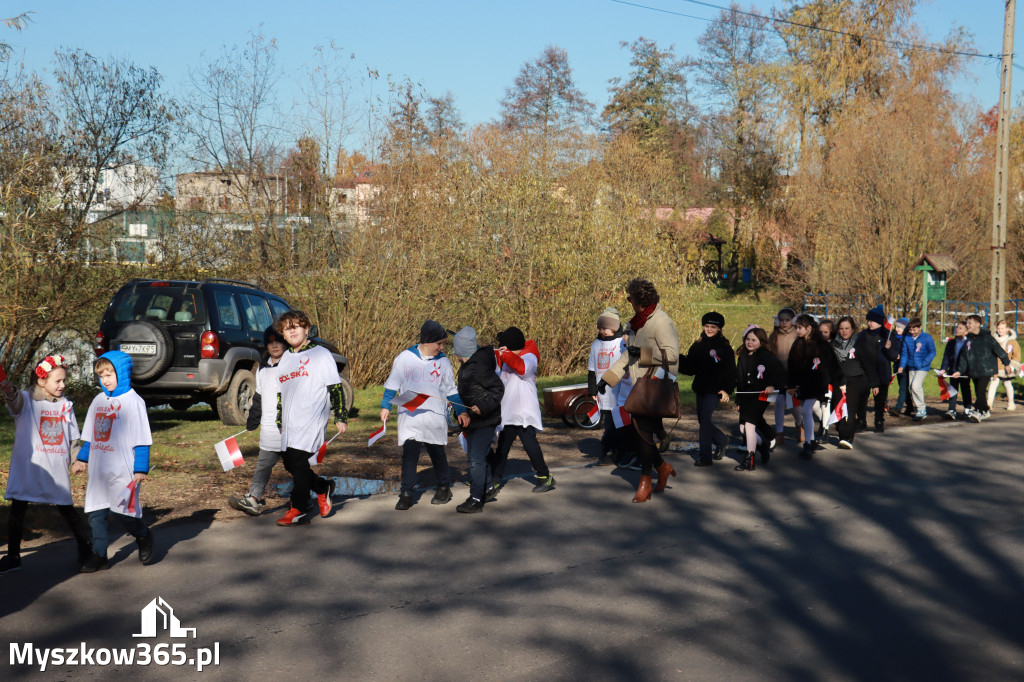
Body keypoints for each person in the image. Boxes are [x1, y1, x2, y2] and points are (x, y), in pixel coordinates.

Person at [1, 355, 92, 575]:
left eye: (64, 380)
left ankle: (85, 548)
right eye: (57, 381)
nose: (63, 385)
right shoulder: (25, 401)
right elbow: (13, 400)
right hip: (28, 469)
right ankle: (13, 556)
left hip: (55, 470)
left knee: (66, 508)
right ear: (42, 381)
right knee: (18, 509)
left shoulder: (65, 405)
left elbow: (72, 438)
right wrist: (6, 388)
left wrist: (77, 459)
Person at [597, 278, 679, 503]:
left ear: (639, 301)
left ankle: (645, 481)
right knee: (643, 435)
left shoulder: (661, 322)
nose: (628, 301)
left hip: (654, 388)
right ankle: (661, 468)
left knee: (643, 435)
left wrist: (641, 351)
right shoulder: (637, 322)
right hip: (638, 387)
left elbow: (671, 355)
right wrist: (607, 379)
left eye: (629, 298)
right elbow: (628, 355)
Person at [72, 351, 154, 572]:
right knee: (95, 514)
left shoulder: (133, 402)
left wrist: (140, 468)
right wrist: (82, 459)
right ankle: (100, 555)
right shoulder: (98, 400)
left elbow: (142, 439)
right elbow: (91, 435)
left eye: (110, 374)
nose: (106, 379)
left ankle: (143, 536)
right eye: (102, 375)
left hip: (123, 470)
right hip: (99, 471)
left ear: (122, 373)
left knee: (123, 514)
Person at [382, 320, 464, 511]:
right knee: (410, 455)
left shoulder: (442, 361)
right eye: (439, 344)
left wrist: (462, 411)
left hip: (434, 415)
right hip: (411, 416)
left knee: (437, 453)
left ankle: (444, 486)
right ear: (427, 341)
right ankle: (406, 492)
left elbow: (451, 389)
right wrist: (386, 406)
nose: (441, 347)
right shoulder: (404, 358)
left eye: (443, 344)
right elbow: (392, 385)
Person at [274, 311, 346, 525]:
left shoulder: (321, 354)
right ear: (283, 335)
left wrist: (340, 416)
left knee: (297, 461)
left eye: (297, 326)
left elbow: (335, 387)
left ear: (306, 329)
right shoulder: (285, 358)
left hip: (312, 419)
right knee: (290, 463)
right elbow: (281, 392)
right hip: (290, 423)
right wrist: (279, 419)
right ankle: (322, 487)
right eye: (288, 328)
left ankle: (298, 508)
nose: (293, 330)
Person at [487, 326, 556, 498]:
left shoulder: (529, 356)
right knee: (502, 448)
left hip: (524, 412)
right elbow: (496, 374)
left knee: (530, 446)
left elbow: (522, 368)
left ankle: (544, 477)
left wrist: (505, 354)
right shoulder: (506, 358)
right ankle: (495, 480)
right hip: (509, 412)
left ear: (510, 347)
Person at [229, 326, 287, 516]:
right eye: (271, 342)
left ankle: (321, 488)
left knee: (297, 467)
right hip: (270, 429)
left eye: (279, 341)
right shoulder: (262, 369)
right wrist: (253, 421)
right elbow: (259, 397)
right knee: (263, 464)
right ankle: (253, 498)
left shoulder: (291, 366)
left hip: (290, 429)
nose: (275, 345)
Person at [452, 327, 504, 513]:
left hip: (486, 419)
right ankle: (488, 487)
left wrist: (482, 406)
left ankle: (476, 499)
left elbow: (498, 389)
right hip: (473, 419)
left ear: (461, 350)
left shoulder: (479, 366)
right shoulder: (469, 364)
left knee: (476, 459)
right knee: (477, 455)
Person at [679, 311, 736, 467]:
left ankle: (705, 457)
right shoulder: (698, 345)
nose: (709, 329)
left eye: (713, 327)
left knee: (704, 421)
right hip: (701, 388)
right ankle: (722, 440)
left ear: (719, 328)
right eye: (707, 326)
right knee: (702, 420)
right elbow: (690, 367)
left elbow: (731, 371)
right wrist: (676, 357)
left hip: (716, 390)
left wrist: (726, 389)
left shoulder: (725, 348)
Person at [787, 314, 840, 458]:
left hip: (817, 384)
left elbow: (832, 365)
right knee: (808, 410)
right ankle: (818, 433)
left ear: (809, 328)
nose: (797, 331)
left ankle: (808, 443)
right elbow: (791, 365)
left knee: (806, 410)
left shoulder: (821, 345)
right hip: (802, 384)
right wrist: (791, 384)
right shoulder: (798, 344)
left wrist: (837, 382)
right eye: (796, 327)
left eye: (799, 328)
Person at [733, 326, 784, 470]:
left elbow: (780, 374)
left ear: (761, 341)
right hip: (746, 396)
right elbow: (740, 380)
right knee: (743, 428)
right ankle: (763, 444)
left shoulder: (768, 356)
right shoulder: (743, 356)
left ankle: (750, 459)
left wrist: (772, 386)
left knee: (749, 425)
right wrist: (738, 401)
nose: (749, 342)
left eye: (753, 340)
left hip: (762, 395)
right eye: (747, 339)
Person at [952, 314, 1010, 422]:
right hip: (974, 370)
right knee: (979, 392)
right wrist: (959, 371)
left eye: (970, 323)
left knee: (980, 390)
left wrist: (1006, 363)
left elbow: (999, 350)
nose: (967, 325)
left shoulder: (987, 338)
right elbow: (964, 358)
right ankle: (985, 410)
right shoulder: (968, 341)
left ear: (978, 324)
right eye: (967, 323)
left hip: (987, 369)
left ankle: (978, 411)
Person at [587, 307, 625, 466]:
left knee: (618, 423)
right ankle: (609, 451)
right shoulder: (596, 344)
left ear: (615, 327)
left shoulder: (621, 342)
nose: (602, 331)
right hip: (603, 392)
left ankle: (614, 451)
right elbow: (591, 369)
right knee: (610, 423)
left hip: (619, 392)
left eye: (606, 328)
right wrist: (592, 390)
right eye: (600, 328)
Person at [832, 316, 870, 449]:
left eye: (847, 328)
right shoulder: (833, 344)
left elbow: (867, 362)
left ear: (852, 329)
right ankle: (842, 430)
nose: (844, 331)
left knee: (849, 408)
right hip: (838, 379)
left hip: (855, 378)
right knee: (837, 406)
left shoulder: (859, 343)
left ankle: (847, 437)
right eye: (841, 329)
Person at [861, 305, 900, 433]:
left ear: (879, 322)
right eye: (868, 320)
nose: (869, 323)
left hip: (882, 372)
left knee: (880, 399)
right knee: (862, 397)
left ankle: (879, 420)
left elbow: (895, 356)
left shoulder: (888, 335)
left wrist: (888, 348)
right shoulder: (864, 335)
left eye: (872, 321)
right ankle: (861, 420)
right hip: (866, 371)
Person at [768, 308, 803, 444]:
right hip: (779, 374)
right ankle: (779, 432)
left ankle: (799, 424)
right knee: (779, 402)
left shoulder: (797, 336)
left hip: (793, 374)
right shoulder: (774, 336)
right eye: (781, 320)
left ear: (793, 321)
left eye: (787, 320)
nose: (784, 323)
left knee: (794, 403)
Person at [897, 317, 936, 421]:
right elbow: (904, 354)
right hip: (911, 367)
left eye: (914, 330)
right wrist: (902, 366)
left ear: (920, 328)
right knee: (912, 387)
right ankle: (919, 409)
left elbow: (932, 352)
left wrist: (925, 362)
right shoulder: (907, 338)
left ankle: (922, 409)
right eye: (910, 329)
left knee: (916, 385)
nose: (912, 332)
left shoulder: (927, 338)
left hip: (922, 367)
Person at [939, 321, 971, 419]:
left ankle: (968, 408)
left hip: (964, 372)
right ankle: (952, 409)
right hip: (953, 370)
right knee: (952, 390)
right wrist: (943, 369)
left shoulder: (968, 343)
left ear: (966, 332)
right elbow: (946, 357)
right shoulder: (951, 343)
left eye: (960, 328)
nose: (957, 329)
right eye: (956, 328)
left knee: (965, 389)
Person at [987, 319, 1020, 411]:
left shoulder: (1012, 342)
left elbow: (1016, 355)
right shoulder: (994, 341)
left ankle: (1011, 403)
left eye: (1002, 328)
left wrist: (1013, 365)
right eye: (998, 328)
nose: (1000, 330)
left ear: (1007, 329)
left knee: (1007, 384)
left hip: (1007, 367)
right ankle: (989, 403)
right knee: (993, 383)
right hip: (996, 367)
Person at [890, 317, 913, 417]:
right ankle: (910, 406)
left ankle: (898, 408)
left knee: (903, 388)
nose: (897, 329)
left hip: (905, 367)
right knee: (903, 387)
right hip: (897, 365)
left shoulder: (907, 339)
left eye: (900, 327)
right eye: (896, 326)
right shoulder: (894, 338)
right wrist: (895, 356)